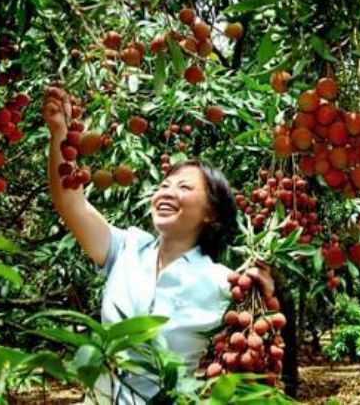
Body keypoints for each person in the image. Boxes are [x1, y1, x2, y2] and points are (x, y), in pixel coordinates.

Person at [42, 86, 274, 403]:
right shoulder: (126, 248)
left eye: (184, 188)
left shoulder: (224, 282)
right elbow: (72, 203)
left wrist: (264, 297)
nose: (166, 192)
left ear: (211, 213)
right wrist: (59, 133)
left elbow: (252, 357)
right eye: (164, 185)